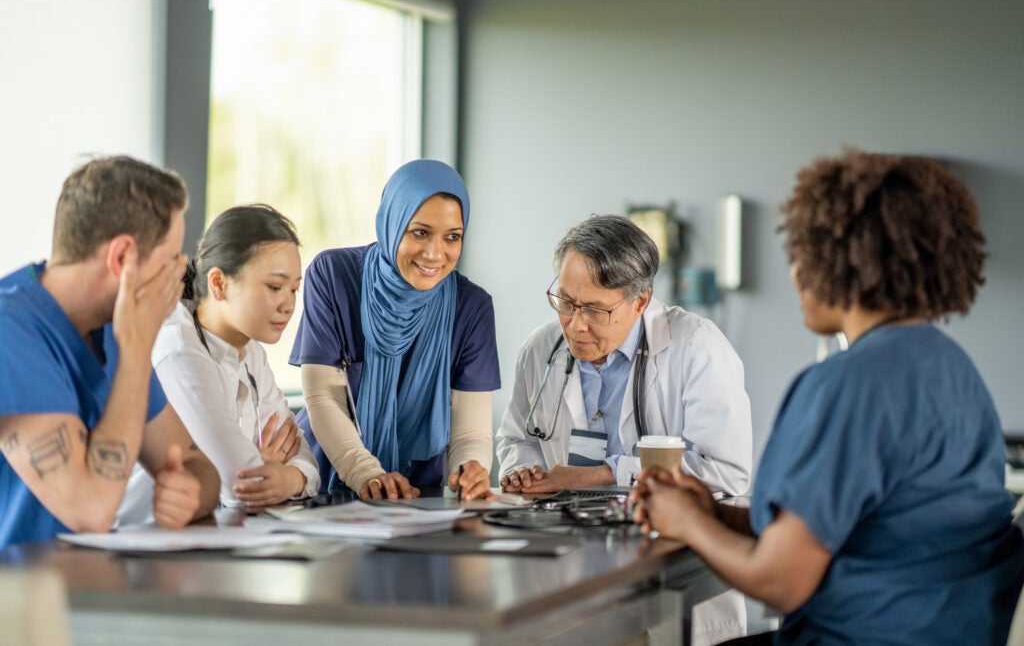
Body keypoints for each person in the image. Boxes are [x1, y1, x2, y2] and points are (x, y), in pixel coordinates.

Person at [632, 150, 1024, 645]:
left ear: (843, 260)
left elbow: (781, 582)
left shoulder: (849, 385)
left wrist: (687, 523)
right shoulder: (955, 370)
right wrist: (714, 511)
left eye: (803, 256)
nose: (795, 276)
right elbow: (869, 534)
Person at [0, 156, 220, 547]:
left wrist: (189, 493)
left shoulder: (113, 328)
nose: (179, 278)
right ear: (122, 258)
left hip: (82, 590)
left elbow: (195, 462)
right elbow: (90, 512)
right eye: (170, 261)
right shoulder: (10, 330)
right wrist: (136, 352)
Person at [496, 214, 752, 496]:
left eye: (595, 310)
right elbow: (518, 440)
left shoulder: (697, 347)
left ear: (640, 301)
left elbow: (725, 471)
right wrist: (524, 471)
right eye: (566, 302)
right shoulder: (540, 349)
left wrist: (607, 474)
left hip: (662, 529)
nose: (576, 325)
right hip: (563, 526)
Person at [290, 159, 500, 501]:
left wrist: (469, 470)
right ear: (392, 222)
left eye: (452, 237)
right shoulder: (333, 276)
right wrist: (367, 474)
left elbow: (471, 432)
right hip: (328, 483)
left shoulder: (472, 307)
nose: (435, 254)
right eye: (420, 232)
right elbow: (322, 396)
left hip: (416, 494)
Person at [150, 204, 320, 509]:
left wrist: (292, 478)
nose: (288, 305)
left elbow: (300, 449)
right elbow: (242, 485)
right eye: (275, 287)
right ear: (218, 284)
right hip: (149, 535)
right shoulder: (180, 349)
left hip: (215, 531)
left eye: (294, 289)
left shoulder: (251, 350)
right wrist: (264, 468)